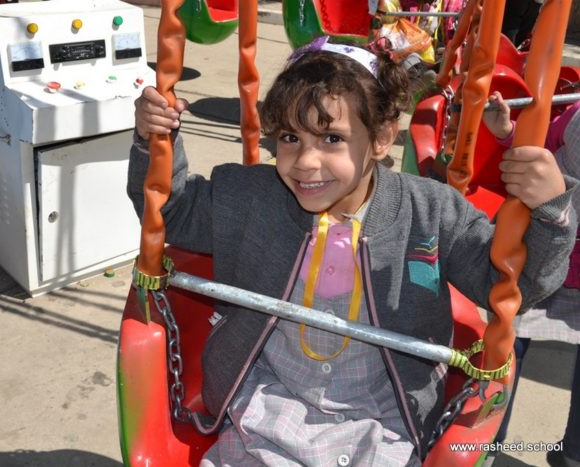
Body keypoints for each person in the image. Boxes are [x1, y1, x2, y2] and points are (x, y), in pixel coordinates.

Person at [128, 36, 578, 466]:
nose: (306, 162)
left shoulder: (430, 212)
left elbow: (511, 285)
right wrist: (155, 140)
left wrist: (551, 212)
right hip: (268, 406)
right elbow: (171, 211)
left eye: (332, 139)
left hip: (384, 419)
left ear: (381, 138)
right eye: (290, 138)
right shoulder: (251, 196)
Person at [483, 92, 580, 467]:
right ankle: (490, 439)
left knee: (511, 338)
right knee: (509, 338)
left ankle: (569, 453)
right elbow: (537, 151)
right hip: (548, 250)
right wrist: (507, 132)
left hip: (552, 248)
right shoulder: (575, 115)